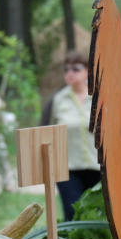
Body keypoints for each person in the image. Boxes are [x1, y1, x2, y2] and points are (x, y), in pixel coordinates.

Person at [39, 52, 100, 221]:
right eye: (67, 70)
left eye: (76, 69)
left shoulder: (98, 97)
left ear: (88, 71)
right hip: (66, 167)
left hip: (97, 166)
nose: (70, 73)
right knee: (72, 212)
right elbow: (44, 130)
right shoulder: (57, 100)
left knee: (95, 214)